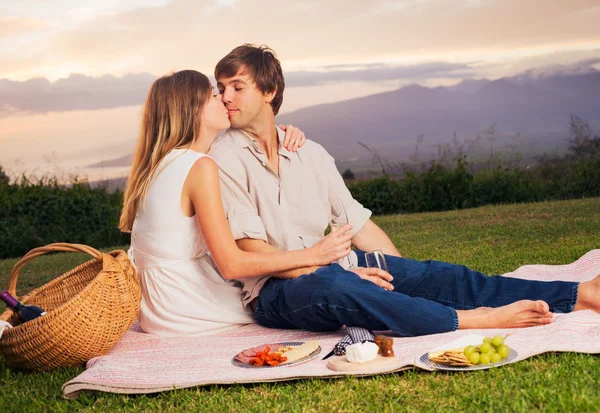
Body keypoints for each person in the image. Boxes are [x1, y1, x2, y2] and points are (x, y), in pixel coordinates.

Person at [209, 44, 600, 337]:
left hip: (332, 269)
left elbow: (360, 228)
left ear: (269, 90)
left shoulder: (310, 153)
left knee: (438, 275)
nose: (225, 97)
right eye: (221, 87)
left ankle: (578, 294)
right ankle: (472, 320)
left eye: (236, 87)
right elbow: (252, 252)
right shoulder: (223, 158)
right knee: (336, 285)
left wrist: (401, 276)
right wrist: (347, 275)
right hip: (277, 293)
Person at [119, 70, 355, 337]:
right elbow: (232, 264)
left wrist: (280, 133)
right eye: (213, 95)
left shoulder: (160, 165)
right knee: (283, 296)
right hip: (185, 305)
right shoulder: (199, 165)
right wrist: (314, 256)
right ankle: (355, 285)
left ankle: (347, 280)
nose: (224, 100)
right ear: (192, 110)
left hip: (157, 307)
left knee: (290, 283)